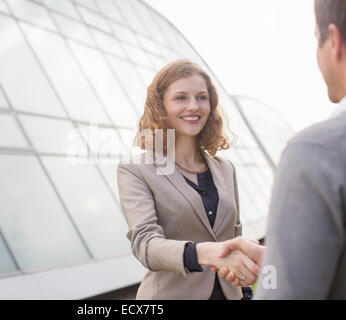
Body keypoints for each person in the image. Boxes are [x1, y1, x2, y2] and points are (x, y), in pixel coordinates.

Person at [216, 0, 346, 299]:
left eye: (317, 39)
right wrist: (282, 261)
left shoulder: (314, 152)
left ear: (334, 41)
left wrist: (279, 272)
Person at [117, 59, 260, 300]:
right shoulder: (135, 170)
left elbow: (233, 236)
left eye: (202, 97)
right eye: (181, 97)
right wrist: (206, 252)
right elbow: (146, 246)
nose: (194, 106)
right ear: (160, 105)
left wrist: (245, 292)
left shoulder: (226, 169)